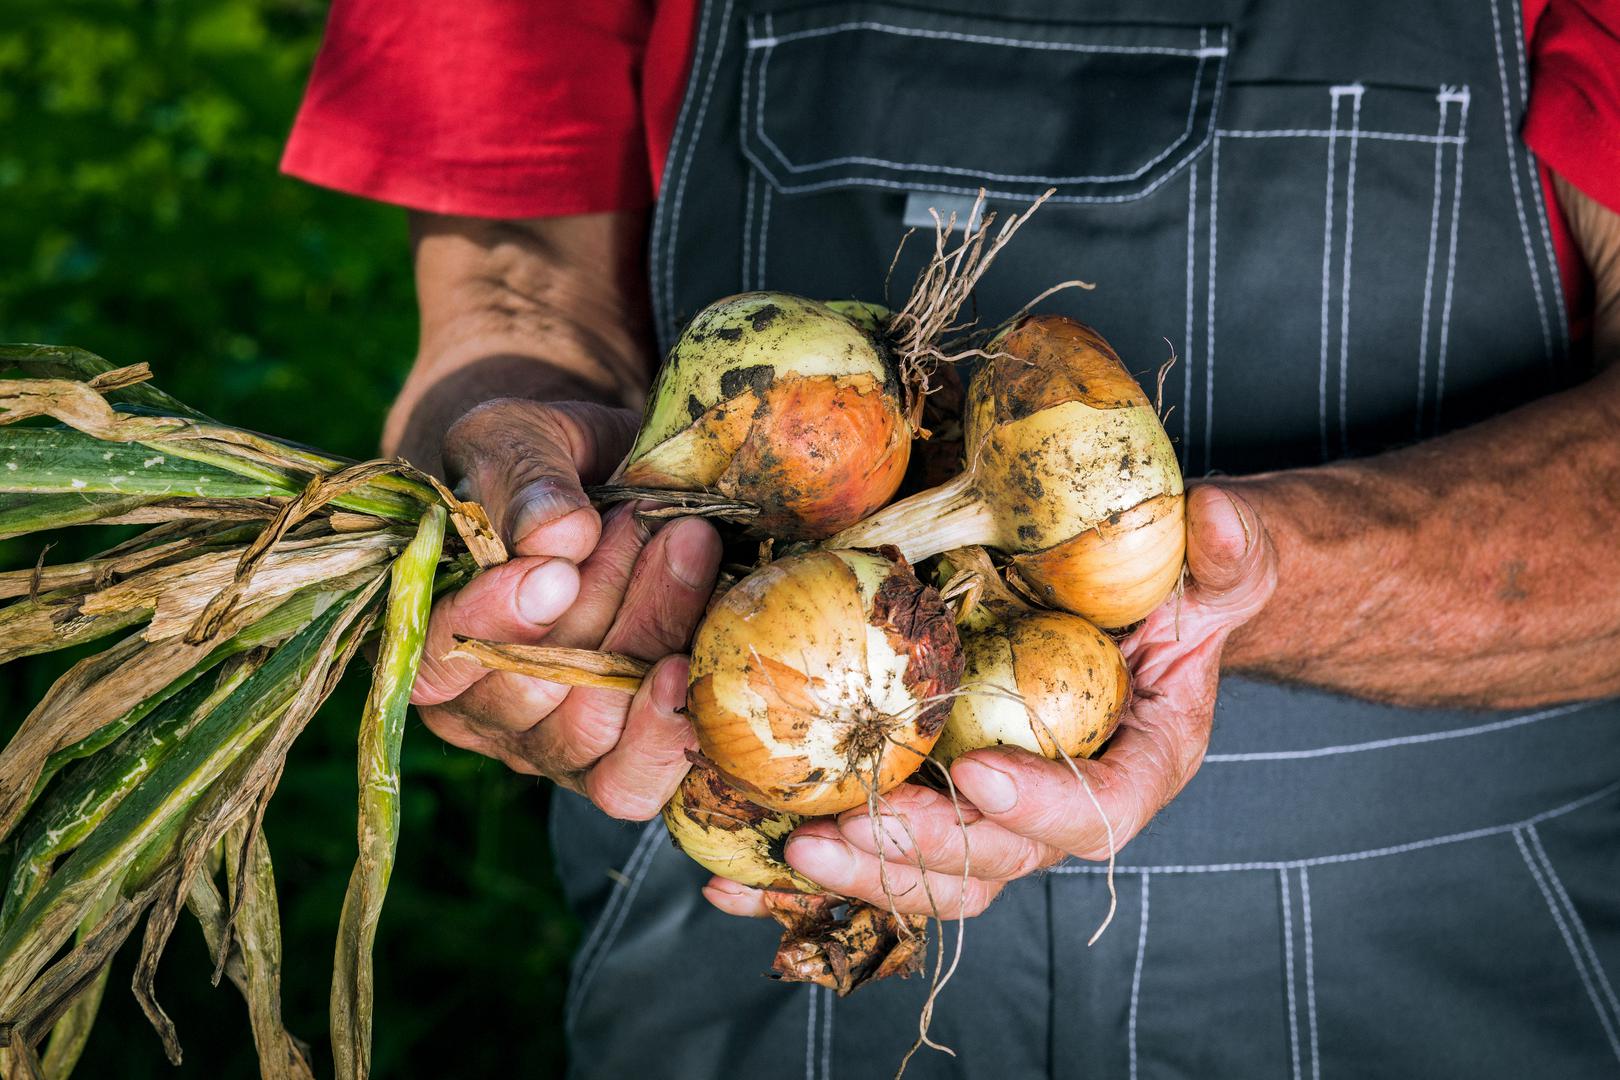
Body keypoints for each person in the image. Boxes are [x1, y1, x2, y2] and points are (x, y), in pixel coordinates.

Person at [283, 1, 1620, 1074]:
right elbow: (512, 276)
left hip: (1440, 941)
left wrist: (1252, 579)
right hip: (748, 880)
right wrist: (519, 503)